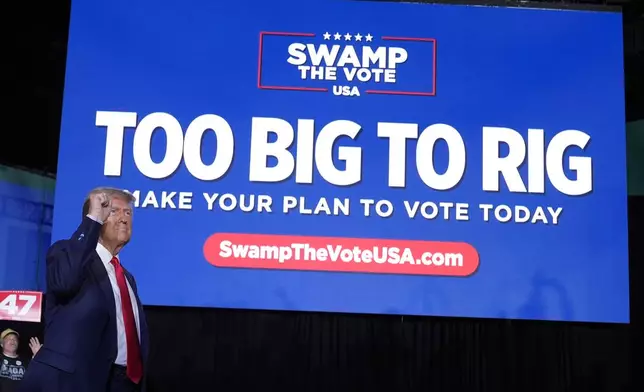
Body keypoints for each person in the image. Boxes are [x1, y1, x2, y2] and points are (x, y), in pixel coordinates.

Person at [20, 188, 149, 392]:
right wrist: (93, 221)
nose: (124, 219)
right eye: (114, 211)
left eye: (128, 212)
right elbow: (64, 282)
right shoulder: (65, 252)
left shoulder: (127, 278)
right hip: (69, 383)